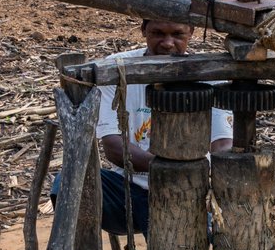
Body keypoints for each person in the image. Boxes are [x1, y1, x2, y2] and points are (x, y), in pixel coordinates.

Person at [54, 15, 234, 237]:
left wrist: (220, 174)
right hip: (128, 188)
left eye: (177, 34)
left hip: (187, 190)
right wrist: (173, 169)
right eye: (158, 33)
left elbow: (222, 142)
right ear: (143, 30)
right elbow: (113, 147)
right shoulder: (117, 69)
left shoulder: (210, 76)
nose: (168, 43)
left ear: (191, 32)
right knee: (67, 183)